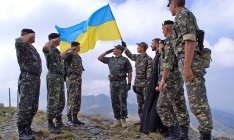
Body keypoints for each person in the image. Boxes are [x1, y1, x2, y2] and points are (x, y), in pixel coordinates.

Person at [168, 0, 213, 139]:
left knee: (198, 103)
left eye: (169, 5)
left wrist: (187, 67)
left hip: (190, 62)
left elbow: (190, 40)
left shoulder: (183, 15)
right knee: (196, 103)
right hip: (188, 61)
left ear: (173, 3)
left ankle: (205, 136)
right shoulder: (183, 16)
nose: (169, 8)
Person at [156, 20, 190, 139]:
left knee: (161, 106)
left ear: (167, 28)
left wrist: (163, 80)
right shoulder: (177, 39)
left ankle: (174, 134)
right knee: (179, 104)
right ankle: (184, 135)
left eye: (162, 29)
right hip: (179, 76)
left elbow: (168, 63)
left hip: (171, 76)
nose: (162, 31)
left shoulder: (170, 40)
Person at [15, 29, 42, 140]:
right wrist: (30, 34)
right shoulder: (21, 45)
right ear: (27, 35)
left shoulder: (32, 48)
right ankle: (22, 132)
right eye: (33, 35)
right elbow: (18, 40)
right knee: (25, 106)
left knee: (33, 106)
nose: (35, 37)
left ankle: (28, 129)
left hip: (35, 78)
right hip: (27, 77)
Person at [98, 45, 132, 128]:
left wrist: (129, 84)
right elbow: (99, 58)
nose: (114, 49)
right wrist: (108, 51)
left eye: (115, 49)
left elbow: (129, 72)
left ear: (120, 51)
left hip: (122, 83)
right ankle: (118, 120)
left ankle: (124, 120)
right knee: (114, 102)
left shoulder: (125, 60)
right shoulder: (110, 59)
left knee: (122, 101)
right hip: (113, 83)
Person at [140, 38, 169, 136]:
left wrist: (158, 83)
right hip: (153, 83)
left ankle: (158, 128)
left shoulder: (162, 56)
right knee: (151, 105)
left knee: (158, 106)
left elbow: (162, 71)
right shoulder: (158, 55)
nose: (151, 45)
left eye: (153, 43)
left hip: (158, 84)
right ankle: (149, 126)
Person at [123, 42, 152, 124]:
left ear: (143, 48)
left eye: (139, 46)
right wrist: (125, 47)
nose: (137, 47)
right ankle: (142, 120)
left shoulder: (149, 59)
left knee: (146, 103)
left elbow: (149, 74)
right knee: (140, 103)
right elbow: (130, 55)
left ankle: (147, 121)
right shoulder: (137, 57)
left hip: (145, 85)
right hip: (137, 84)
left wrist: (148, 84)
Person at [43, 33, 65, 133]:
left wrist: (68, 50)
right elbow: (45, 47)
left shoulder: (56, 50)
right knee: (53, 99)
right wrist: (53, 40)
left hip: (59, 77)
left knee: (60, 100)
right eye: (59, 39)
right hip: (53, 76)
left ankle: (59, 121)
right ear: (54, 39)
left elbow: (61, 57)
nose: (60, 41)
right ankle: (50, 123)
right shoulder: (49, 49)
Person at [61, 41, 85, 126]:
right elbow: (61, 57)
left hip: (78, 78)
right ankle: (69, 118)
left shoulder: (78, 57)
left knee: (77, 98)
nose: (80, 48)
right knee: (72, 97)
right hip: (71, 78)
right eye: (79, 46)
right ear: (74, 47)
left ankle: (75, 118)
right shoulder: (70, 55)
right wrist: (68, 49)